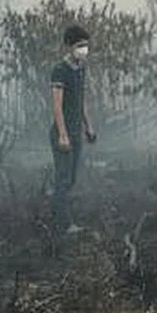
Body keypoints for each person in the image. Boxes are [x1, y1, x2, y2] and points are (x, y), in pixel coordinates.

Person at [49, 25, 97, 234]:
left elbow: (81, 100)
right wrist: (62, 134)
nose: (84, 50)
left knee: (72, 178)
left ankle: (58, 211)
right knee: (63, 177)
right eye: (79, 46)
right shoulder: (60, 70)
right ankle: (65, 224)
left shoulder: (81, 69)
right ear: (69, 46)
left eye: (86, 45)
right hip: (64, 133)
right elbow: (57, 105)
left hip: (76, 132)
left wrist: (89, 126)